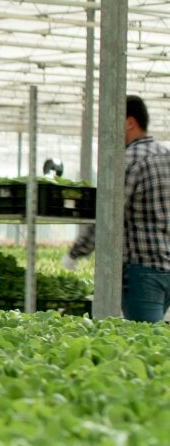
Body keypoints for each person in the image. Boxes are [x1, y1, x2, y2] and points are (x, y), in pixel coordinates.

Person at [63, 95, 170, 322]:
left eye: (114, 122)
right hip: (166, 267)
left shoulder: (127, 160)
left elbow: (108, 215)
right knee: (157, 343)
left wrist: (76, 253)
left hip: (143, 270)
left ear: (130, 122)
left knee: (142, 344)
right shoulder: (166, 156)